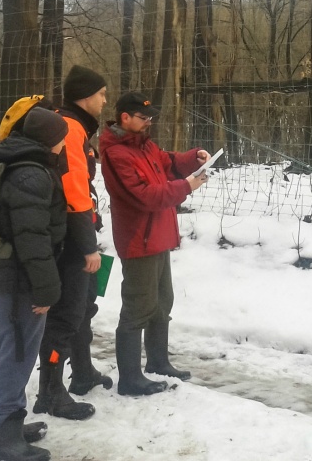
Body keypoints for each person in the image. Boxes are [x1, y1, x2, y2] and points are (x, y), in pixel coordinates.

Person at [99, 92, 210, 396]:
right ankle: (131, 377)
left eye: (150, 118)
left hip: (158, 237)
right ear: (125, 117)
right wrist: (187, 186)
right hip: (139, 240)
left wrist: (194, 157)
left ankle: (158, 362)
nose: (149, 123)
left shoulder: (143, 145)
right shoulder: (117, 154)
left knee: (163, 302)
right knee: (138, 308)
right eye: (143, 118)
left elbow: (168, 162)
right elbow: (146, 196)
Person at [0, 107, 68, 461]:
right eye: (62, 136)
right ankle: (3, 435)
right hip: (21, 280)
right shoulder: (32, 174)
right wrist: (46, 290)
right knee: (16, 355)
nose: (66, 142)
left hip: (7, 275)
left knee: (4, 352)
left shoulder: (19, 163)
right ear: (50, 138)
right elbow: (33, 240)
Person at [33, 65, 111, 421]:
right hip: (67, 238)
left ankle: (82, 371)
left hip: (63, 232)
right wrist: (87, 244)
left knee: (81, 307)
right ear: (85, 96)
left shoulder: (67, 124)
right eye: (101, 93)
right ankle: (51, 392)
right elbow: (75, 190)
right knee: (65, 317)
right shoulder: (72, 128)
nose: (105, 99)